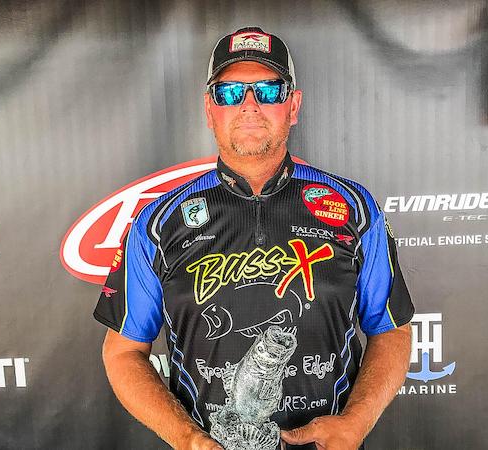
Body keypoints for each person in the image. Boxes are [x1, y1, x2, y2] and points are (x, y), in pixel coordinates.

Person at [94, 26, 414, 450]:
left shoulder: (353, 208)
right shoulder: (158, 222)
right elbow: (122, 352)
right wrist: (187, 439)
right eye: (229, 93)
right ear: (209, 109)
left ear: (293, 105)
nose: (249, 105)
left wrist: (355, 423)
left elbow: (392, 329)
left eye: (268, 90)